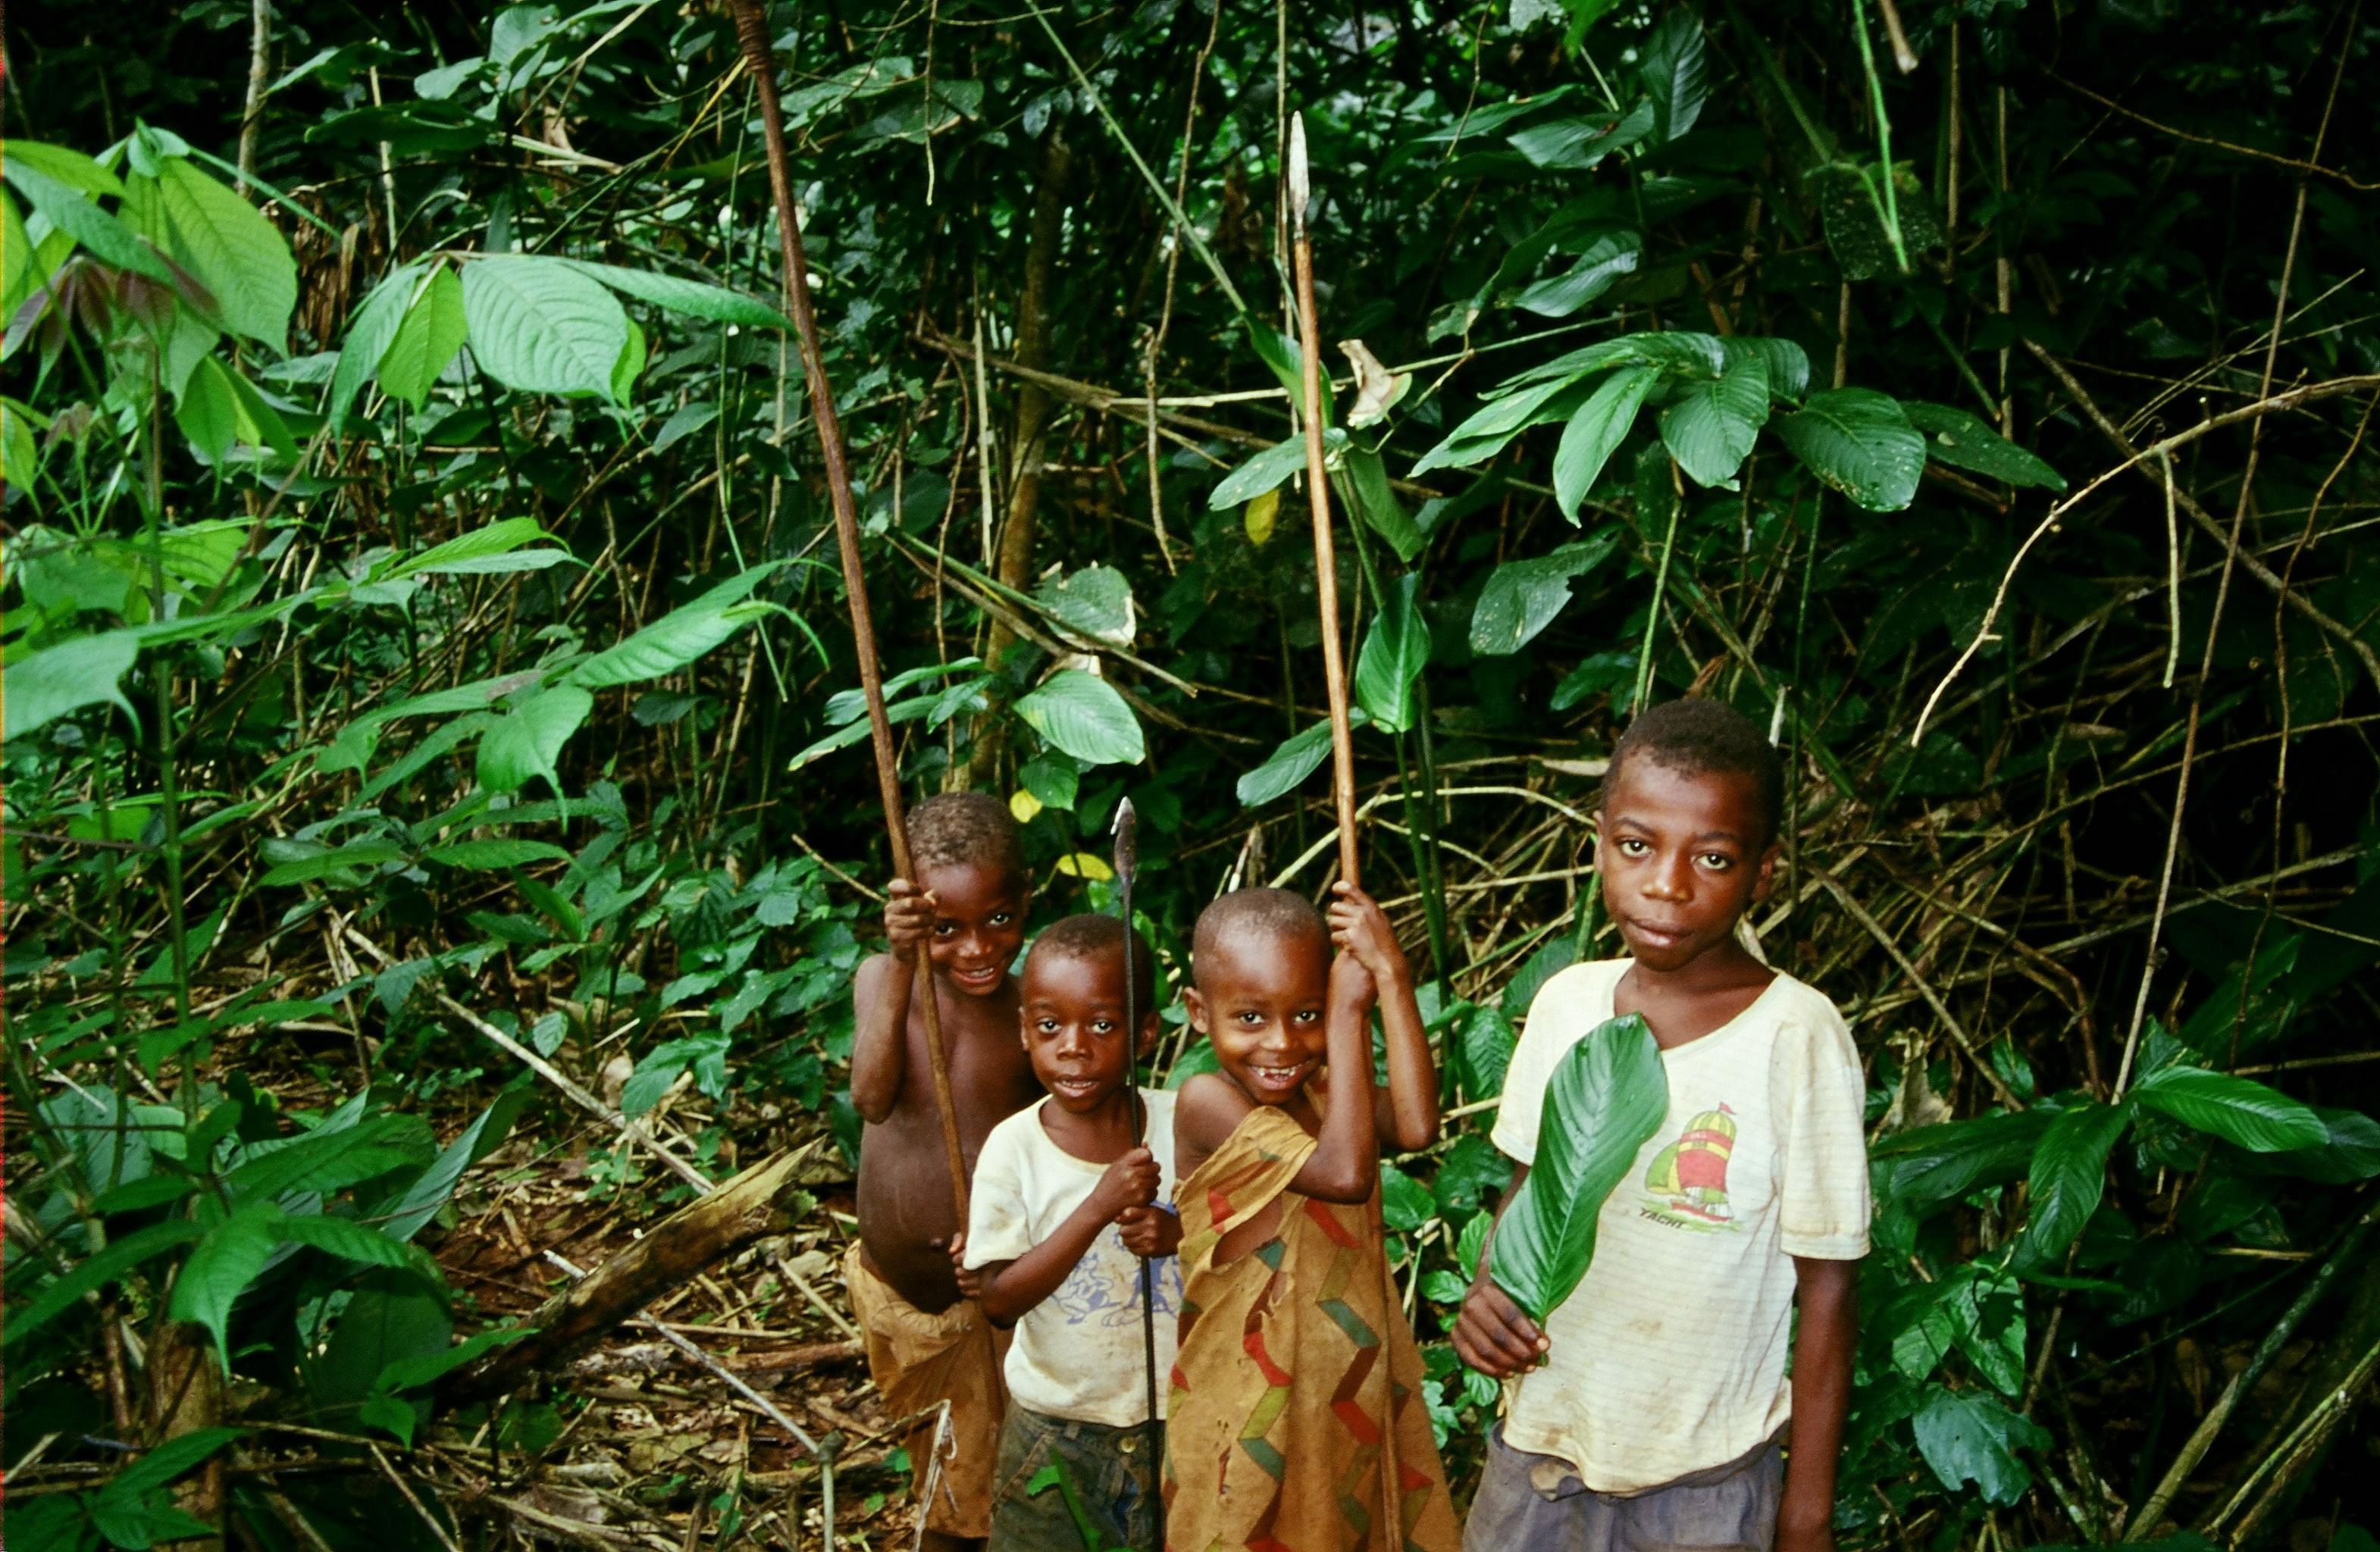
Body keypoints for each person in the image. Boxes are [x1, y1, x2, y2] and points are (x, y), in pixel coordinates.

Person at [1453, 698, 1870, 1552]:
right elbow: (1529, 1192)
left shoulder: (1796, 1034)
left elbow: (1827, 1288)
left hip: (1704, 1483)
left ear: (1763, 869)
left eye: (1712, 857)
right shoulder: (1567, 1002)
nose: (1666, 884)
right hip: (1540, 1454)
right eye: (1636, 846)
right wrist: (1490, 1294)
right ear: (1598, 837)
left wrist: (1805, 1512)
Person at [1164, 883, 1461, 1552]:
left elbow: (1416, 1125)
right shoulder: (1207, 1101)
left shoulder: (1333, 1097)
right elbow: (1345, 1177)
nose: (1282, 1043)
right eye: (1250, 1018)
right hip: (1240, 1409)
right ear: (1197, 1012)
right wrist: (1345, 1022)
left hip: (1342, 1391)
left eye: (1307, 1014)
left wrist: (1391, 977)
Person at [848, 791, 1045, 1551]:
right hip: (897, 1300)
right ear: (909, 920)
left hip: (988, 1300)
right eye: (945, 928)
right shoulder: (881, 979)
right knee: (941, 1470)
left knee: (982, 1489)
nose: (976, 947)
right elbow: (870, 1094)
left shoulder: (1032, 1012)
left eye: (998, 918)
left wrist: (1007, 1240)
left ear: (1024, 901)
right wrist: (903, 960)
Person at [953, 913, 1183, 1552]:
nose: (1073, 1047)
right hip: (1057, 1432)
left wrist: (1179, 1232)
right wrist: (1096, 1206)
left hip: (1181, 1422)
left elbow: (1235, 1235)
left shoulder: (1180, 1124)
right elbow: (998, 1300)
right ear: (1025, 1033)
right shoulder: (1014, 1148)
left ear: (1144, 1033)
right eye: (1050, 1026)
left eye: (1102, 1025)